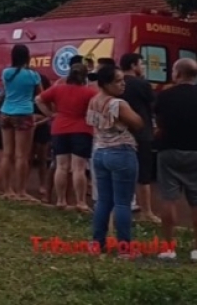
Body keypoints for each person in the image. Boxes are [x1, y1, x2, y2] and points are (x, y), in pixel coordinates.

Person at [86, 64, 143, 256]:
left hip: (100, 152)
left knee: (103, 201)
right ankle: (124, 248)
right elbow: (137, 122)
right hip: (121, 152)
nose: (123, 84)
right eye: (118, 81)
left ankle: (96, 243)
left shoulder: (94, 101)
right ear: (106, 84)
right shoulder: (118, 104)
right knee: (122, 203)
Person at [36, 64, 97, 211]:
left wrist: (50, 115)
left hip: (59, 129)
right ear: (84, 77)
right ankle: (81, 202)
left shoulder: (58, 89)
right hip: (82, 130)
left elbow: (38, 99)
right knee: (79, 168)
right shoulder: (89, 93)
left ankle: (61, 200)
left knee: (61, 166)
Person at [154, 58, 197, 261]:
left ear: (178, 74)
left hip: (168, 151)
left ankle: (169, 247)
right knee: (195, 201)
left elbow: (158, 122)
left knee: (169, 198)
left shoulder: (164, 96)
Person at [0, 44, 41, 201]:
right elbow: (39, 95)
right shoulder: (33, 75)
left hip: (6, 112)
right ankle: (21, 191)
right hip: (24, 113)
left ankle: (7, 190)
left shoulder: (6, 73)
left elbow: (5, 90)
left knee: (7, 154)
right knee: (22, 156)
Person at [119, 53, 159, 223]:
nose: (142, 67)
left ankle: (123, 207)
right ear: (133, 65)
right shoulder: (142, 84)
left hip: (119, 133)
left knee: (121, 172)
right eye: (141, 64)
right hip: (141, 133)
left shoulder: (115, 84)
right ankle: (147, 211)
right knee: (144, 174)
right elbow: (154, 105)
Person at [32, 74, 53, 201]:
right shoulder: (30, 98)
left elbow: (51, 115)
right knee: (28, 158)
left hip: (42, 128)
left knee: (42, 159)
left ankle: (43, 184)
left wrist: (39, 122)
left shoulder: (46, 98)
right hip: (31, 128)